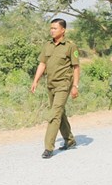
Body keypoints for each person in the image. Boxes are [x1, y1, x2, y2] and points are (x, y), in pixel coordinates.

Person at [31, 18, 80, 159]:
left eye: (55, 28)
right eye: (51, 28)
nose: (52, 31)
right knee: (59, 113)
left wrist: (75, 86)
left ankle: (48, 147)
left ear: (63, 30)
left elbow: (76, 67)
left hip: (64, 85)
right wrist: (35, 81)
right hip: (50, 84)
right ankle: (69, 140)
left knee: (54, 115)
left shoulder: (70, 46)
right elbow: (42, 64)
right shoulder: (47, 45)